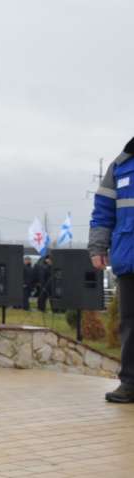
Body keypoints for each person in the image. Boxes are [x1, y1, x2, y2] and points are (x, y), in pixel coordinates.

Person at [89, 135, 134, 403]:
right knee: (130, 324)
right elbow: (103, 210)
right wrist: (97, 248)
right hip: (130, 259)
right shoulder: (121, 165)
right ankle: (129, 383)